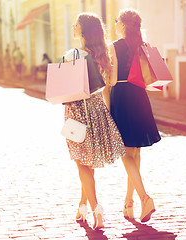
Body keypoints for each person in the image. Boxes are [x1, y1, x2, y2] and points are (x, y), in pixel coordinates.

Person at [64, 13, 126, 230]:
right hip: (98, 108)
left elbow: (66, 88)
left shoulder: (73, 54)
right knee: (89, 163)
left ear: (82, 31)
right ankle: (82, 205)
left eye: (76, 24)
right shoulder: (104, 52)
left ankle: (96, 209)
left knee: (81, 162)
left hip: (77, 111)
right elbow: (112, 81)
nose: (73, 26)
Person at [106, 9, 161, 223]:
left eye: (117, 21)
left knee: (124, 152)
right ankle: (128, 204)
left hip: (122, 97)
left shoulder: (114, 47)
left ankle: (145, 198)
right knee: (135, 153)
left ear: (121, 24)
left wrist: (108, 109)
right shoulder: (143, 46)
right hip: (139, 97)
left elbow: (111, 81)